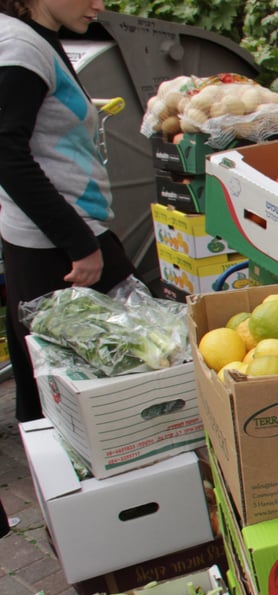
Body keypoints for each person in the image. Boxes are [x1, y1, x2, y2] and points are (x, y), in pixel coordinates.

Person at [0, 0, 134, 422]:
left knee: (47, 389)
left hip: (44, 239)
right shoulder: (20, 46)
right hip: (57, 247)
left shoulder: (33, 36)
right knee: (80, 396)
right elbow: (6, 152)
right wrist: (79, 243)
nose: (99, 4)